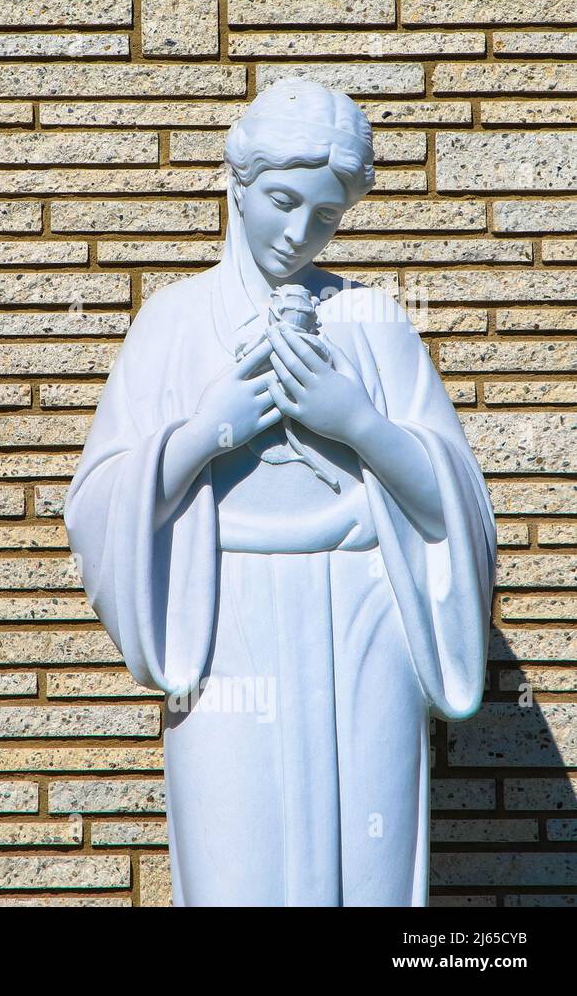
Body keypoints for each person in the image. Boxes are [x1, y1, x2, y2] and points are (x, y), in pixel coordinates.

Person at [63, 78, 497, 906]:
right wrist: (206, 432)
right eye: (283, 200)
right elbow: (97, 503)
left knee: (367, 870)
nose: (300, 233)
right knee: (237, 869)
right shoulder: (174, 322)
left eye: (326, 215)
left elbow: (459, 514)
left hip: (366, 618)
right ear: (237, 182)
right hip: (226, 622)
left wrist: (361, 425)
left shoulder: (375, 321)